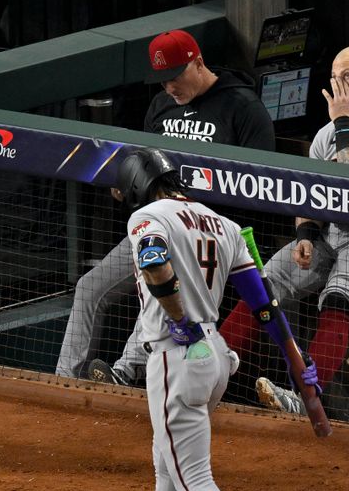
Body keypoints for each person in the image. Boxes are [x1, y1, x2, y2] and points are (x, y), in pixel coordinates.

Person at [55, 28, 275, 384]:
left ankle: (124, 375)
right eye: (162, 81)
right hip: (155, 224)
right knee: (89, 288)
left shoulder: (244, 108)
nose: (169, 87)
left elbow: (261, 186)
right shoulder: (160, 106)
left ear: (198, 62)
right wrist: (131, 187)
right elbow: (146, 164)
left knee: (160, 287)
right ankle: (65, 381)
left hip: (207, 237)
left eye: (175, 76)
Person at [117, 147, 318, 491]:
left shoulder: (147, 216)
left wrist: (178, 316)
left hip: (177, 355)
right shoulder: (222, 224)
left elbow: (154, 262)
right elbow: (264, 304)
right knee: (168, 460)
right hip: (215, 357)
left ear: (137, 188)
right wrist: (294, 356)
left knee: (193, 476)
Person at [218, 45, 349, 414]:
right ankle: (206, 372)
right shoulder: (326, 134)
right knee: (262, 283)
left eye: (347, 76)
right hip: (329, 235)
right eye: (333, 77)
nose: (337, 85)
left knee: (337, 295)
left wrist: (342, 122)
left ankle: (303, 395)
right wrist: (306, 235)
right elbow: (310, 197)